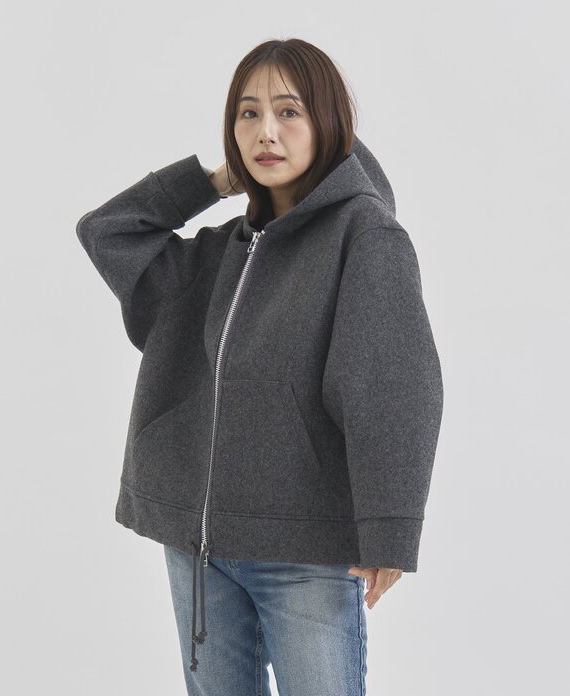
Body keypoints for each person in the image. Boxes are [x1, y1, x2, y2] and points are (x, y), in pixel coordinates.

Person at [76, 37, 444, 696]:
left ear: (328, 123)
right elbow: (107, 232)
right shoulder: (216, 253)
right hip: (199, 549)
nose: (265, 131)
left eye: (289, 111)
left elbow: (392, 388)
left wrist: (389, 532)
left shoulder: (364, 237)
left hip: (305, 552)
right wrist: (215, 181)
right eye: (248, 113)